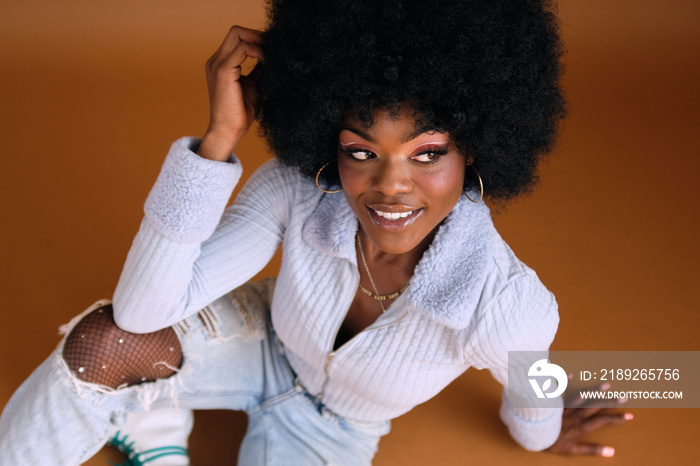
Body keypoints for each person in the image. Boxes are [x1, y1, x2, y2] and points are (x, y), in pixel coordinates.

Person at [0, 0, 631, 464]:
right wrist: (218, 140)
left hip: (333, 429)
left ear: (477, 150)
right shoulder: (298, 186)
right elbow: (140, 313)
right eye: (361, 152)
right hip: (257, 343)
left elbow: (531, 393)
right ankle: (151, 407)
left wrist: (545, 433)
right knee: (106, 342)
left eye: (427, 153)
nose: (391, 186)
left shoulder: (506, 305)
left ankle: (157, 420)